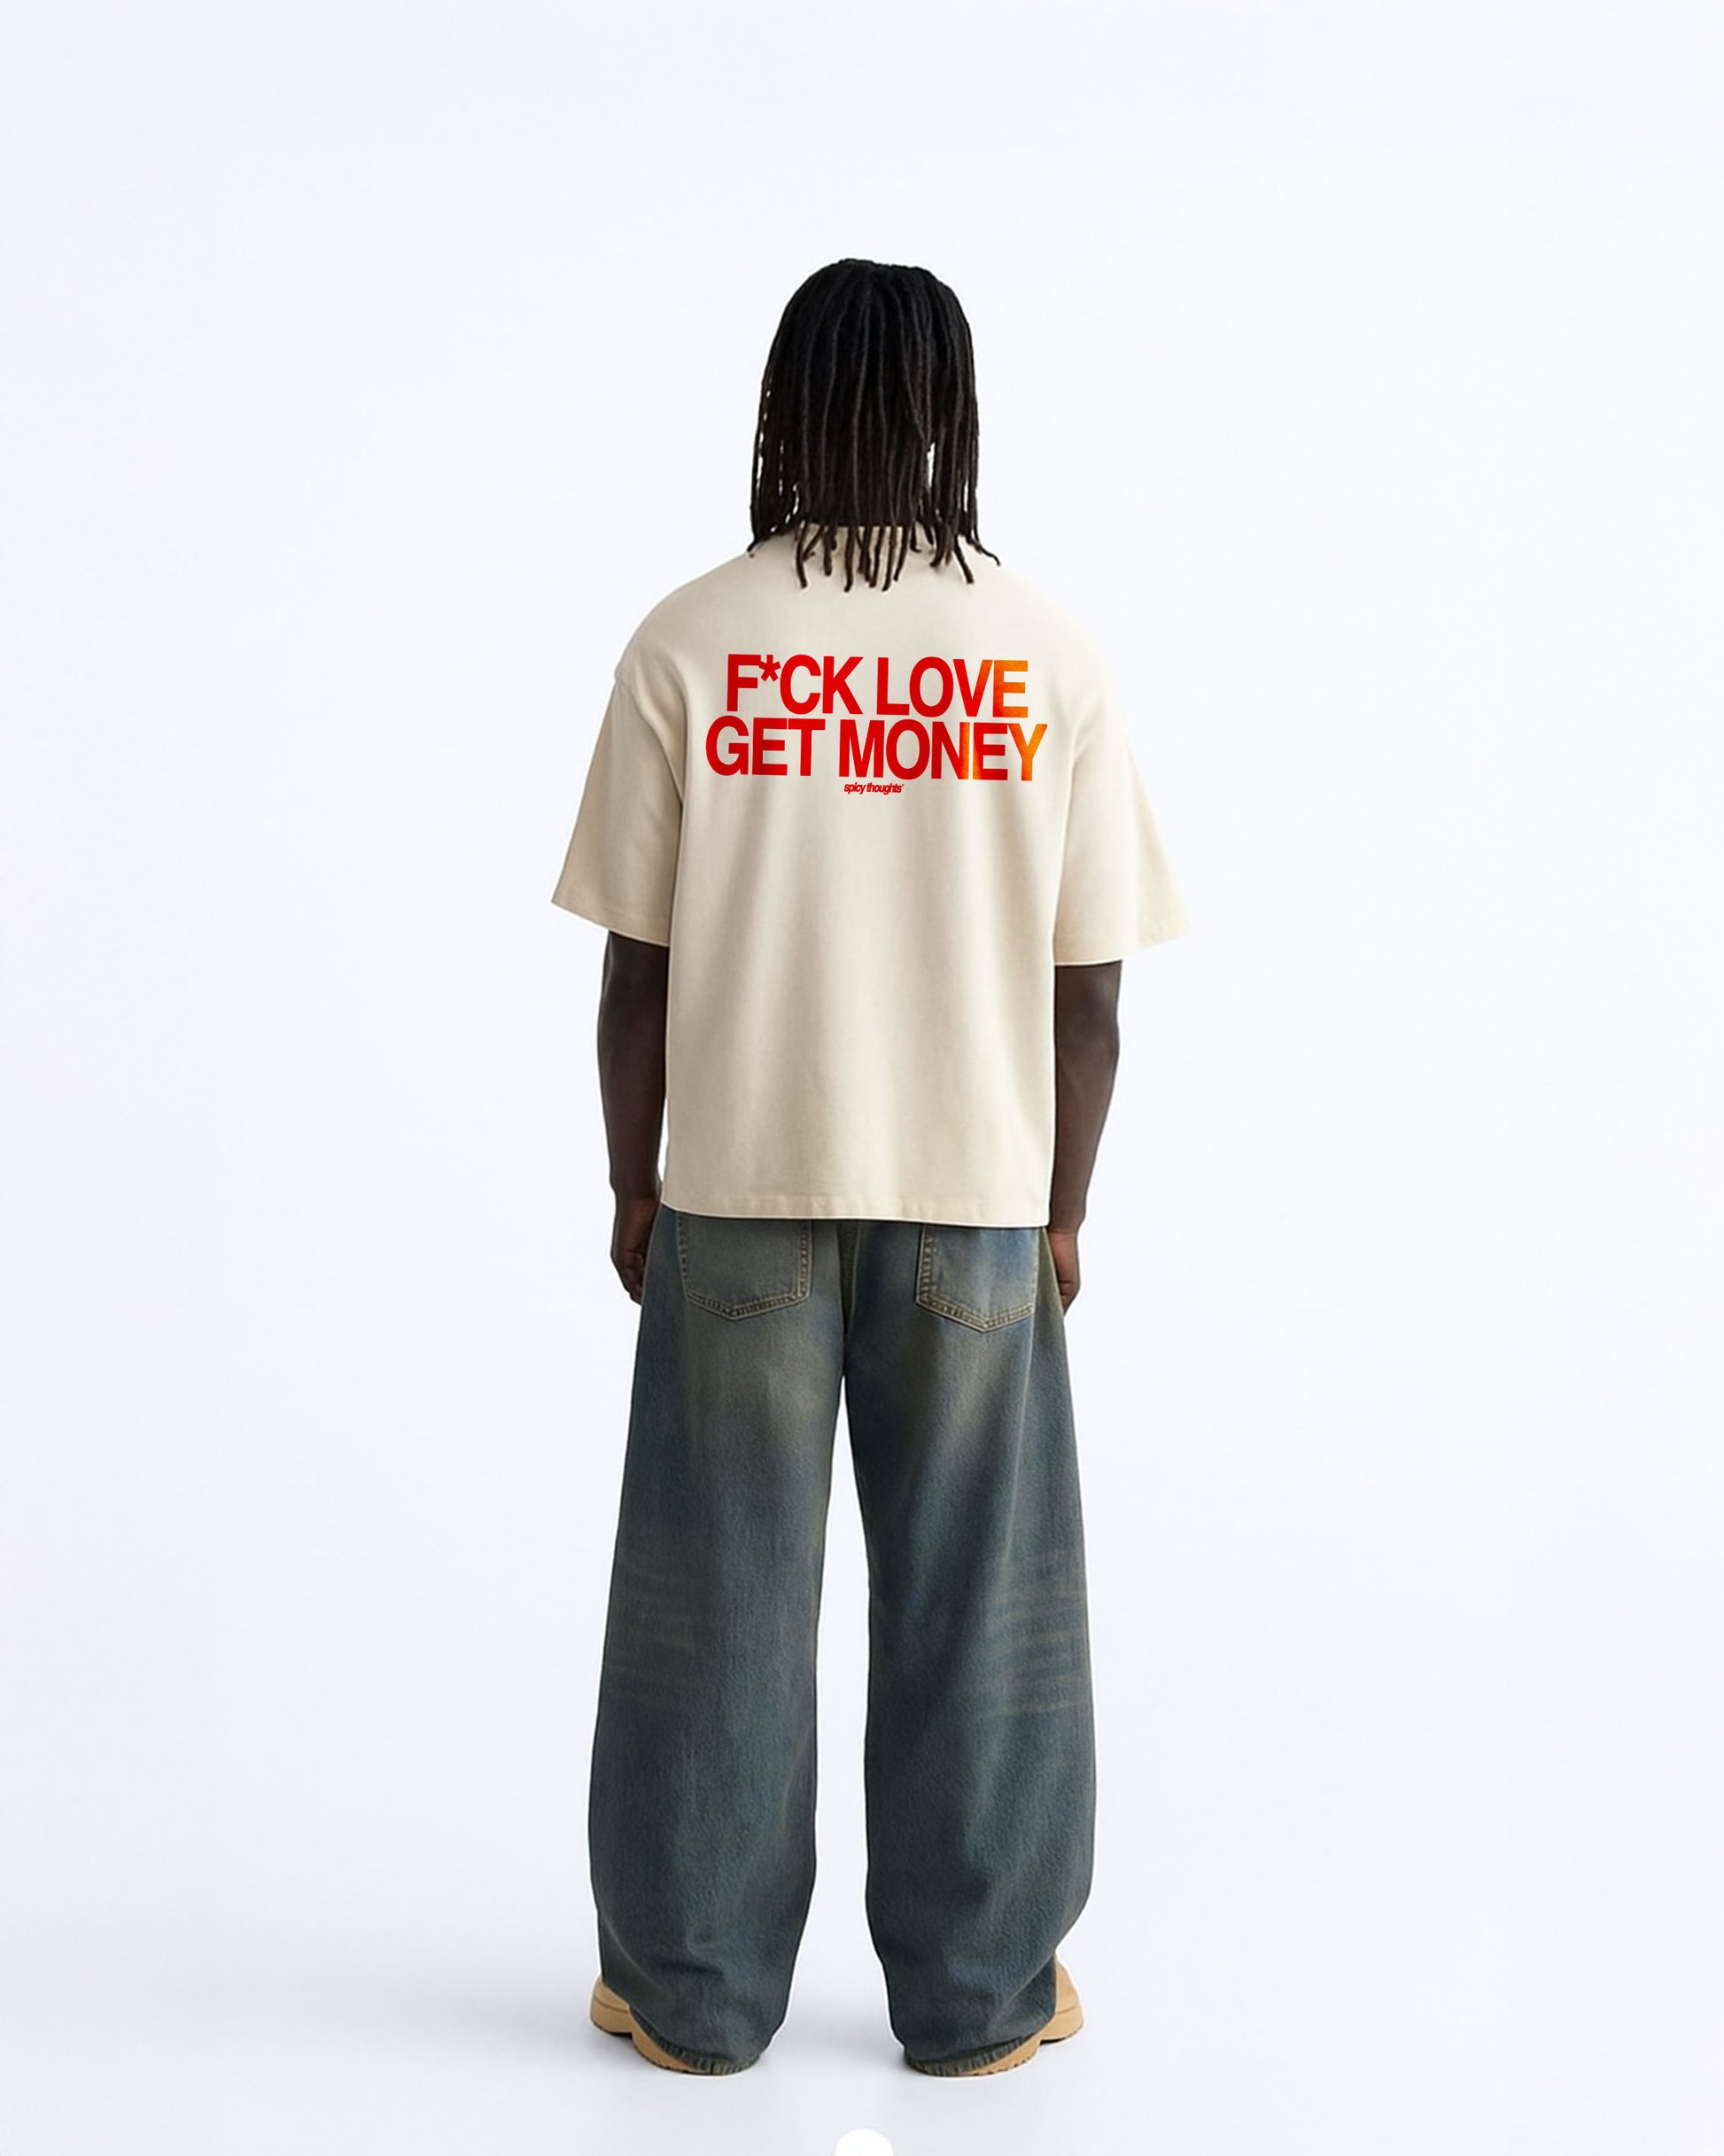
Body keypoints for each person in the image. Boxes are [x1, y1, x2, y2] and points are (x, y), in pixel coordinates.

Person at [548, 257, 1190, 2078]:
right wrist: (1063, 1204)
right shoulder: (1044, 652)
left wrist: (633, 1179)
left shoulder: (690, 640)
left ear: (782, 404)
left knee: (712, 1602)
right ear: (946, 415)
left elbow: (638, 968)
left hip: (738, 1190)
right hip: (975, 1201)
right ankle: (982, 1998)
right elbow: (1088, 994)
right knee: (983, 1608)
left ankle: (688, 1991)